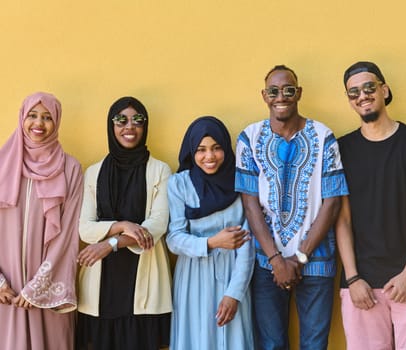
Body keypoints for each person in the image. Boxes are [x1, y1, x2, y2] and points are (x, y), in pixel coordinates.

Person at [235, 65, 348, 350]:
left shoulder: (323, 137)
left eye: (287, 90)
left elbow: (332, 202)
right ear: (264, 95)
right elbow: (250, 205)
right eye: (273, 91)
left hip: (316, 259)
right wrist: (276, 261)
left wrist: (299, 258)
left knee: (314, 344)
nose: (280, 96)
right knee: (271, 344)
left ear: (298, 93)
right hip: (266, 262)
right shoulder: (249, 137)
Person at [336, 61, 406, 349]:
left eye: (369, 87)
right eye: (353, 92)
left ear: (384, 90)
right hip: (361, 284)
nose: (362, 95)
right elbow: (342, 220)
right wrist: (352, 278)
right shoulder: (341, 149)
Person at [76, 96, 172, 350]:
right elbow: (85, 228)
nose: (129, 126)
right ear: (111, 125)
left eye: (137, 120)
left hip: (144, 280)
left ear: (145, 125)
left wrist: (110, 244)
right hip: (101, 286)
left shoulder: (160, 170)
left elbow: (158, 225)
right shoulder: (94, 173)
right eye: (121, 120)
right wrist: (122, 225)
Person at [0, 92, 83, 349]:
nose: (39, 123)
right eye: (33, 115)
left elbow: (69, 234)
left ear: (56, 122)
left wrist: (37, 288)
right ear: (22, 118)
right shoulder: (2, 164)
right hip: (6, 292)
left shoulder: (70, 168)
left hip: (46, 290)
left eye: (47, 117)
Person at [166, 116, 254, 350]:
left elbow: (248, 242)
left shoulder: (241, 181)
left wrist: (234, 294)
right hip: (193, 277)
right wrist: (212, 242)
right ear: (191, 152)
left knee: (232, 337)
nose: (210, 156)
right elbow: (174, 238)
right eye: (201, 150)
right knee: (196, 339)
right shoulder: (179, 184)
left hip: (233, 274)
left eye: (217, 148)